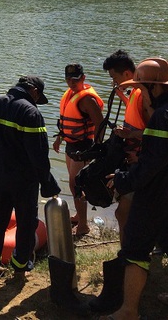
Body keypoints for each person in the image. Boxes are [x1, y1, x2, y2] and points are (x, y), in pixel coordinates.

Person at [105, 58, 168, 319]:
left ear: (152, 87)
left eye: (140, 90)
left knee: (135, 251)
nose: (139, 95)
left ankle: (128, 310)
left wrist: (122, 179)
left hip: (154, 198)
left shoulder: (162, 118)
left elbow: (149, 167)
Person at [0, 76, 61, 280]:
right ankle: (20, 268)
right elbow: (38, 155)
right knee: (26, 223)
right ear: (34, 91)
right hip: (23, 181)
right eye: (38, 97)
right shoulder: (30, 112)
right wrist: (48, 184)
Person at [102, 50, 151, 245]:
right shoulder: (136, 93)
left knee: (123, 213)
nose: (113, 82)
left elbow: (155, 131)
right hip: (134, 163)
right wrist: (121, 93)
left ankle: (129, 255)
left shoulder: (142, 96)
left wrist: (131, 135)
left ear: (127, 75)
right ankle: (133, 251)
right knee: (129, 213)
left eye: (114, 77)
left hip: (140, 164)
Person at [52, 63, 104, 236]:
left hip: (83, 147)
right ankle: (78, 215)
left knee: (78, 185)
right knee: (73, 183)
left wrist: (96, 148)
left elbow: (100, 125)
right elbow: (65, 122)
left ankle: (83, 225)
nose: (71, 83)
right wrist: (60, 137)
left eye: (75, 79)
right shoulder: (70, 95)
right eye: (68, 79)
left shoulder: (87, 99)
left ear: (83, 78)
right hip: (71, 144)